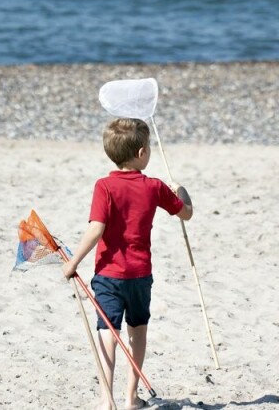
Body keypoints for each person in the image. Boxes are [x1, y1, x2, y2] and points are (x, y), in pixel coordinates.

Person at [62, 118, 193, 410]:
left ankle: (107, 399)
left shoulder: (104, 186)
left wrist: (73, 262)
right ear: (142, 152)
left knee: (108, 332)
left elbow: (96, 228)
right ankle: (130, 396)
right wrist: (181, 190)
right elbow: (186, 213)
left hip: (108, 273)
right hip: (139, 274)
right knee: (138, 331)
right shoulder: (155, 187)